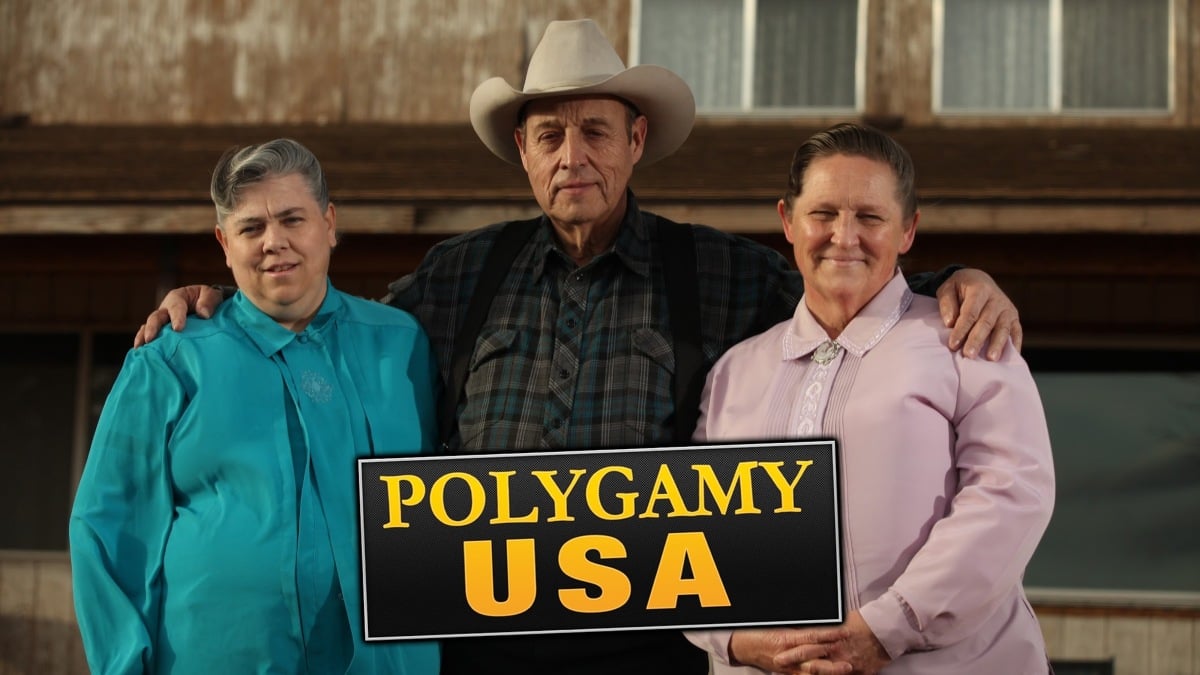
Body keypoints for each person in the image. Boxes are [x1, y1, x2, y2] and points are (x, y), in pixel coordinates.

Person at [133, 19, 1024, 675]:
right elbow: (324, 330)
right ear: (522, 149)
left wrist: (954, 276)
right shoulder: (459, 275)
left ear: (635, 141)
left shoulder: (719, 272)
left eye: (596, 130)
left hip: (656, 649)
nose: (574, 156)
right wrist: (220, 303)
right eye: (550, 134)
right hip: (483, 644)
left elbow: (848, 278)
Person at [685, 123, 1055, 675]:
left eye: (870, 218)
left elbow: (1010, 496)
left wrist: (887, 628)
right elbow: (690, 533)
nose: (844, 236)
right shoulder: (735, 373)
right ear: (788, 220)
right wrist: (736, 639)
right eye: (824, 214)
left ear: (908, 230)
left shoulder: (969, 340)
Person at [70, 139, 440, 674]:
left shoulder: (403, 345)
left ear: (330, 223)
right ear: (224, 243)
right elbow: (108, 531)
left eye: (293, 219)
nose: (275, 242)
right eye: (251, 228)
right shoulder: (171, 359)